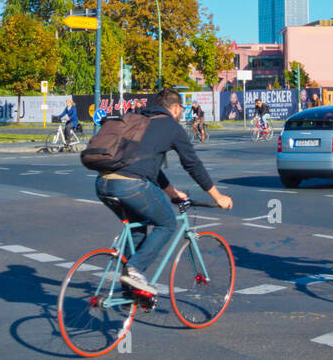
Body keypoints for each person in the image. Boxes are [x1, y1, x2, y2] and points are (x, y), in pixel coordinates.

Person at [94, 89, 233, 296]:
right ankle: (135, 270)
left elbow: (147, 166)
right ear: (176, 108)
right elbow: (192, 165)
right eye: (182, 110)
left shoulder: (139, 120)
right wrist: (217, 197)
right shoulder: (171, 127)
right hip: (130, 185)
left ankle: (130, 292)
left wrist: (171, 192)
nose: (181, 114)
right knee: (167, 222)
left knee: (138, 229)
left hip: (103, 183)